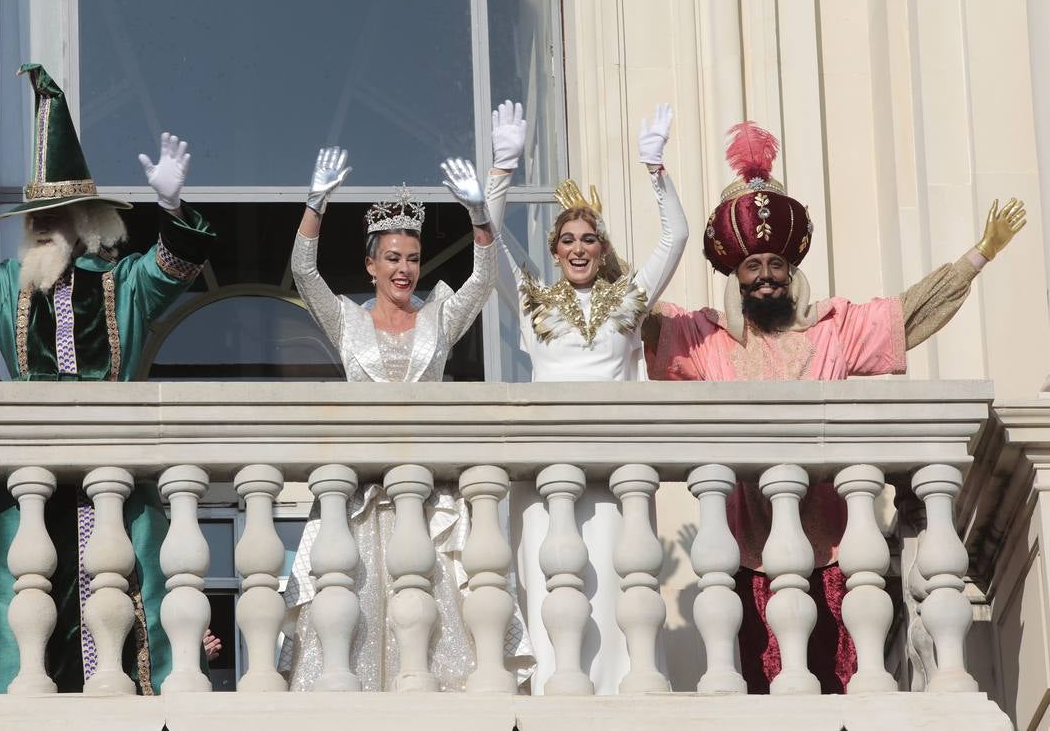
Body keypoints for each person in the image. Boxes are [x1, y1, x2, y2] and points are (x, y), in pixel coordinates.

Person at [643, 121, 1027, 693]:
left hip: (834, 550)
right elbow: (629, 316)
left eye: (776, 264)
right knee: (750, 691)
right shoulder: (705, 338)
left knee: (842, 687)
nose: (767, 277)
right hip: (744, 553)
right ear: (736, 274)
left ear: (790, 269)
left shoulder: (834, 329)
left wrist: (977, 256)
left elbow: (906, 316)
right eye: (753, 266)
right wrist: (591, 255)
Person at [0, 64, 216, 695]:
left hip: (113, 484)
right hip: (30, 485)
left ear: (86, 220)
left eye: (58, 217)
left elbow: (180, 264)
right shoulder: (9, 287)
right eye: (38, 219)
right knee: (22, 616)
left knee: (126, 610)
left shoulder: (126, 283)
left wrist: (171, 206)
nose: (45, 228)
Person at [284, 140, 532, 690]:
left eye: (413, 258)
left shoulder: (440, 317)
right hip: (359, 498)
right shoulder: (347, 320)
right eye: (392, 258)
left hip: (429, 498)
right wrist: (316, 204)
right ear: (370, 264)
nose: (404, 269)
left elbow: (484, 279)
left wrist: (477, 215)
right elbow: (303, 271)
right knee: (353, 618)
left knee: (435, 625)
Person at [485, 102, 687, 694]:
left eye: (589, 239)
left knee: (621, 584)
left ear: (602, 248)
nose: (578, 248)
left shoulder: (629, 298)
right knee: (552, 583)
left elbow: (674, 237)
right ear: (553, 249)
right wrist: (502, 169)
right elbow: (491, 241)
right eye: (567, 239)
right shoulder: (532, 300)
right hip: (548, 468)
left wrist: (655, 169)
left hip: (616, 464)